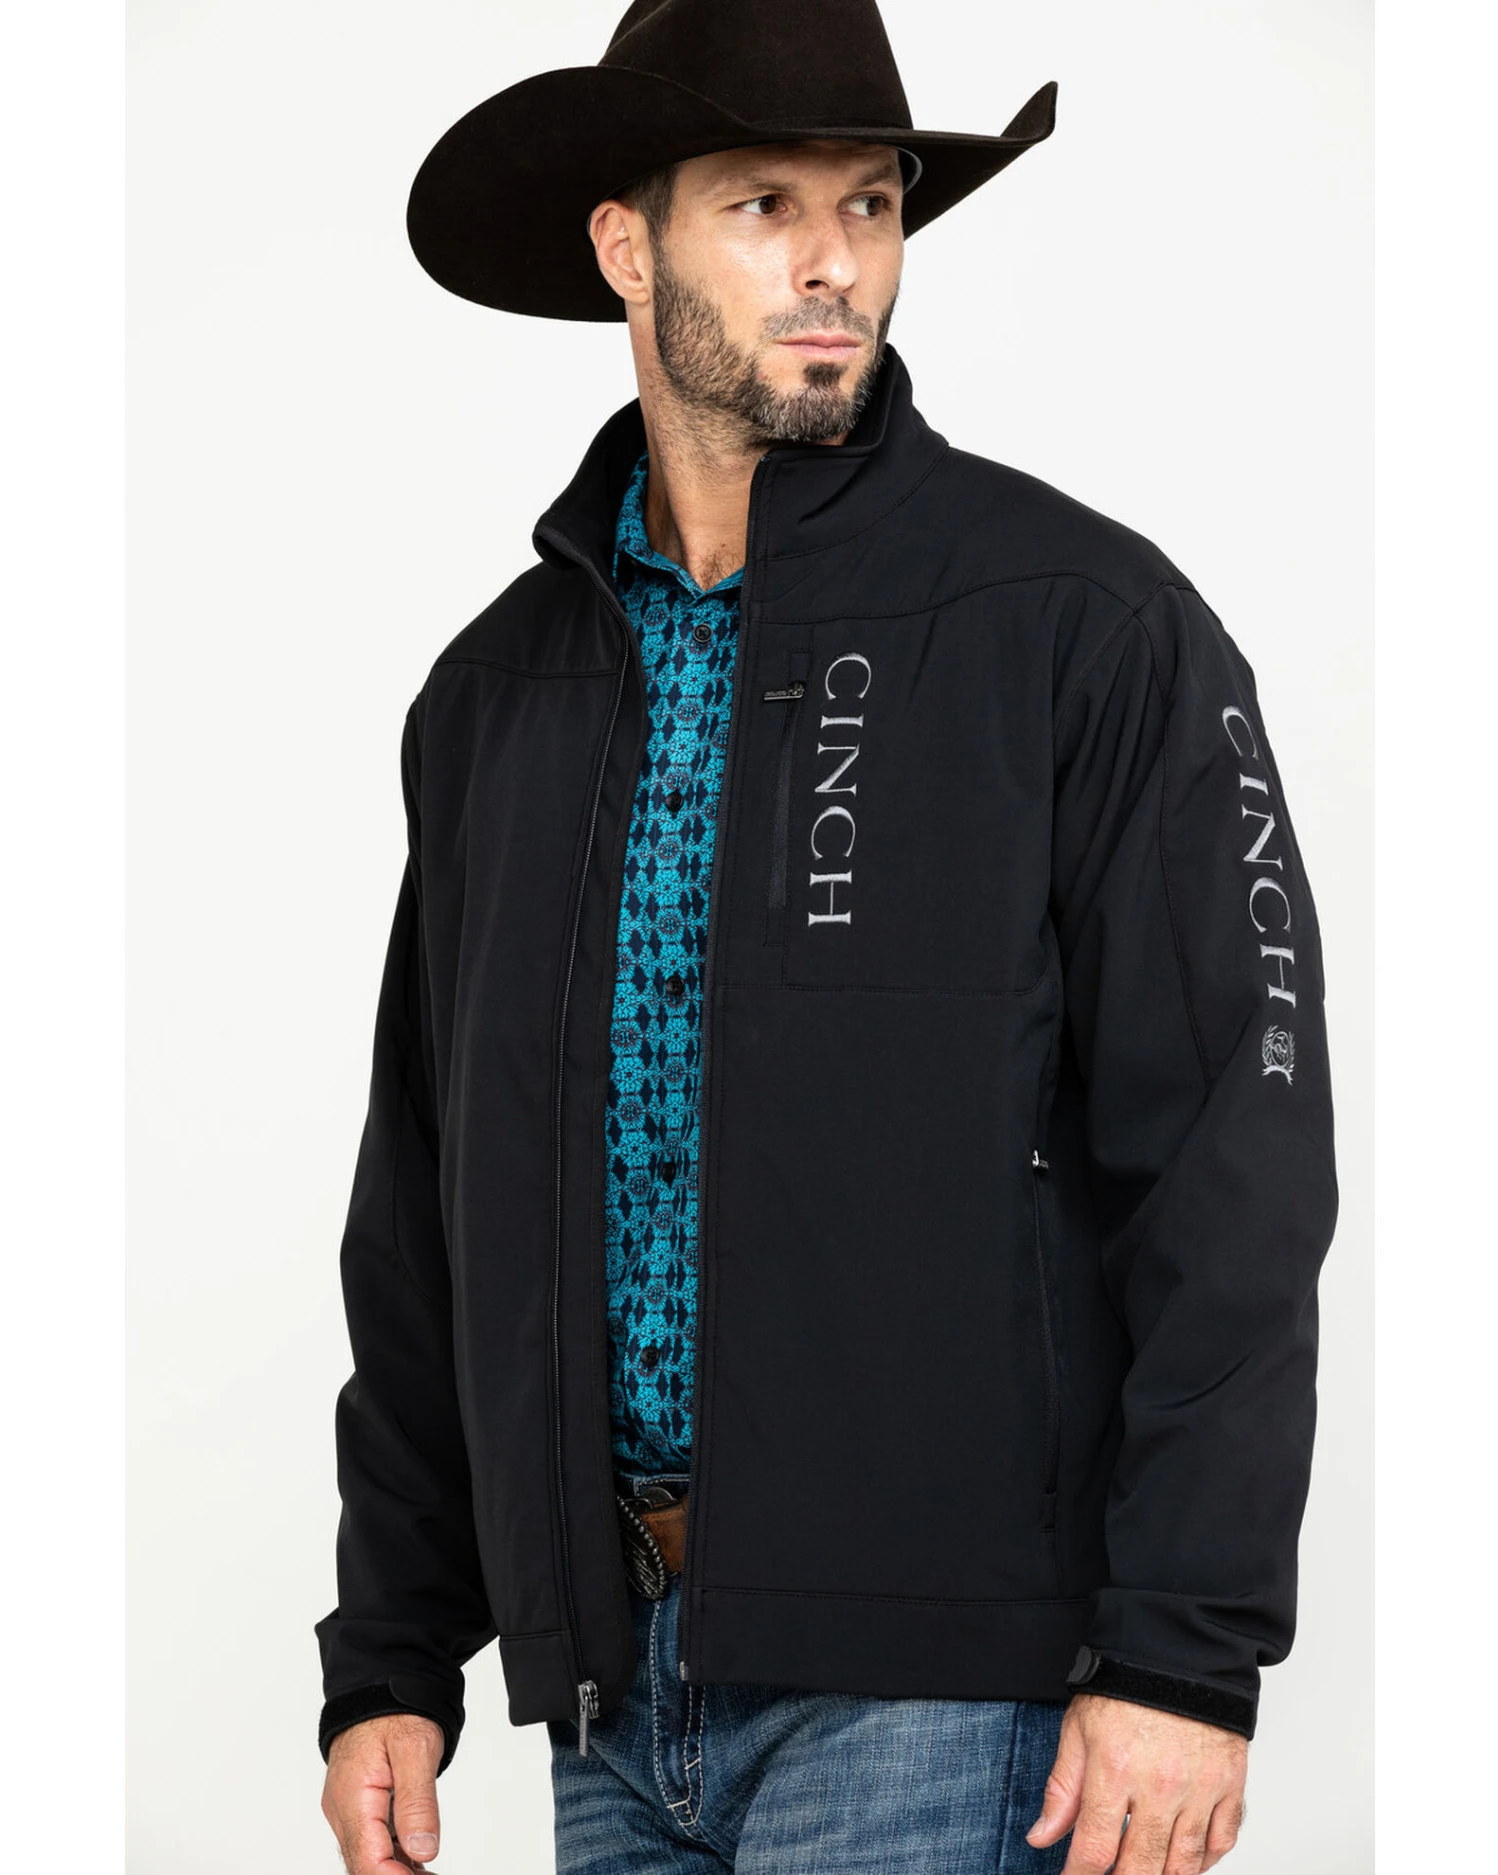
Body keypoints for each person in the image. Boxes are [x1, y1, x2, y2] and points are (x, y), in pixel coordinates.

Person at [314, 2, 1339, 1870]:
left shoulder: (1078, 624)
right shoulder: (498, 698)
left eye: (869, 205)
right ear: (626, 247)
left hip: (948, 1699)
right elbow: (429, 1196)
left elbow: (1231, 1159)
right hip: (613, 1697)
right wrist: (392, 1646)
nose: (833, 263)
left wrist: (1185, 1653)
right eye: (764, 205)